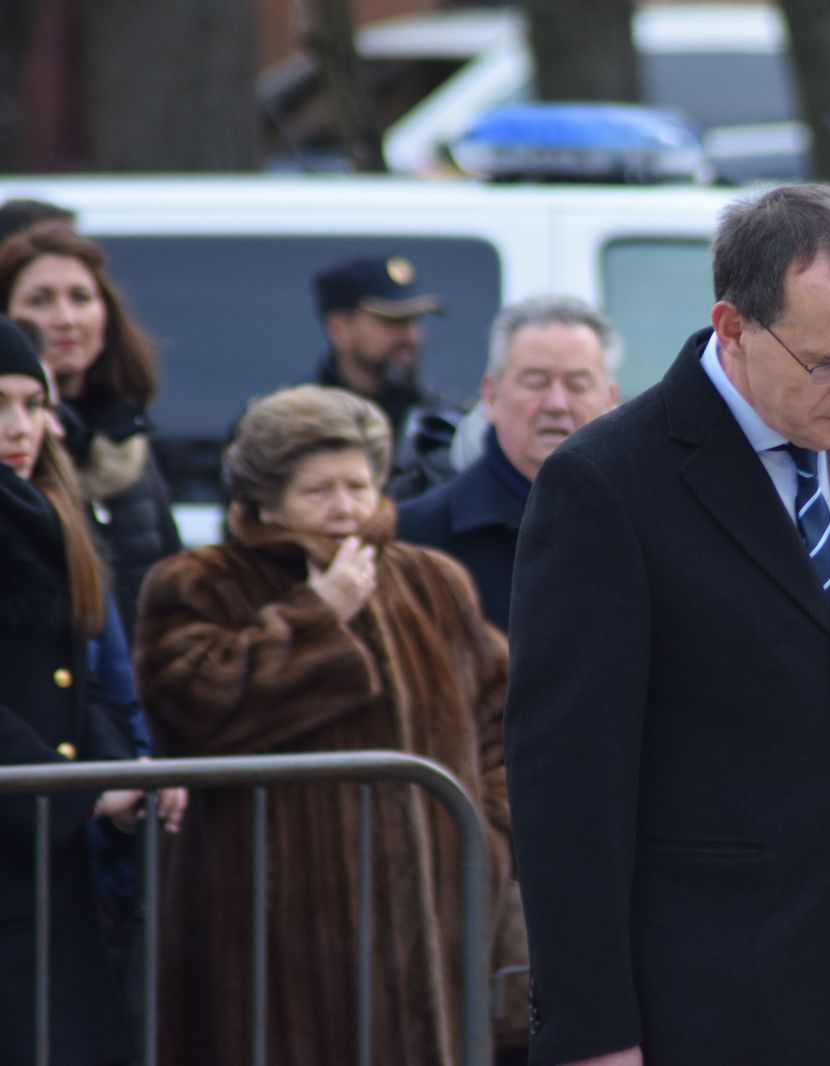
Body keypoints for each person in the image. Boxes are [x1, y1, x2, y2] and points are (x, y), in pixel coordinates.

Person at [504, 183, 830, 1066]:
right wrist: (592, 1027)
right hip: (713, 992)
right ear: (732, 329)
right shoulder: (604, 484)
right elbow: (568, 786)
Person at [134, 385, 512, 1066]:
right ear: (264, 500)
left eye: (358, 485)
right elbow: (188, 710)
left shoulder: (429, 579)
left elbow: (502, 719)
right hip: (270, 940)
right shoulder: (198, 581)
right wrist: (317, 617)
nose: (345, 509)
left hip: (429, 931)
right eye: (318, 491)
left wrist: (486, 839)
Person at [0, 313, 141, 1066]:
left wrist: (116, 771)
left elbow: (80, 676)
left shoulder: (49, 513)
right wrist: (69, 788)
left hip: (45, 868)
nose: (19, 427)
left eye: (31, 402)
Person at [0, 221, 183, 638]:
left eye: (80, 298)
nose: (65, 319)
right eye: (40, 300)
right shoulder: (16, 447)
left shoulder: (126, 439)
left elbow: (171, 585)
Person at [398, 294, 620, 631]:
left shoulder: (653, 527)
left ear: (610, 400)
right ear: (491, 395)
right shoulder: (417, 536)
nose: (557, 404)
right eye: (535, 382)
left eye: (578, 384)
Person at [309, 253, 450, 448]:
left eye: (414, 320)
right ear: (339, 329)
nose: (412, 336)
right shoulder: (296, 422)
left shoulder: (441, 425)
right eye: (393, 321)